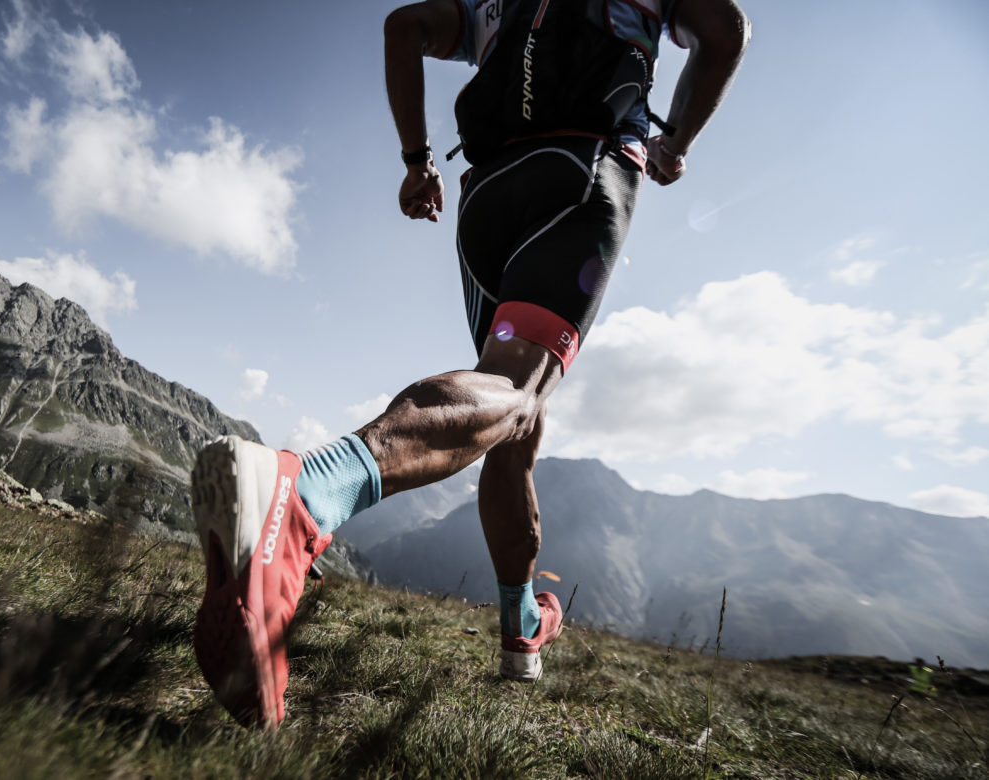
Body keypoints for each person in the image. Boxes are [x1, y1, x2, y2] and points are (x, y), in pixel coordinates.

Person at [191, 0, 751, 729]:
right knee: (516, 391)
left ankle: (522, 627)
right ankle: (304, 500)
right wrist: (675, 142)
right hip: (580, 171)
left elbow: (403, 27)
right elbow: (724, 27)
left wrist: (417, 161)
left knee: (512, 428)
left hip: (486, 199)